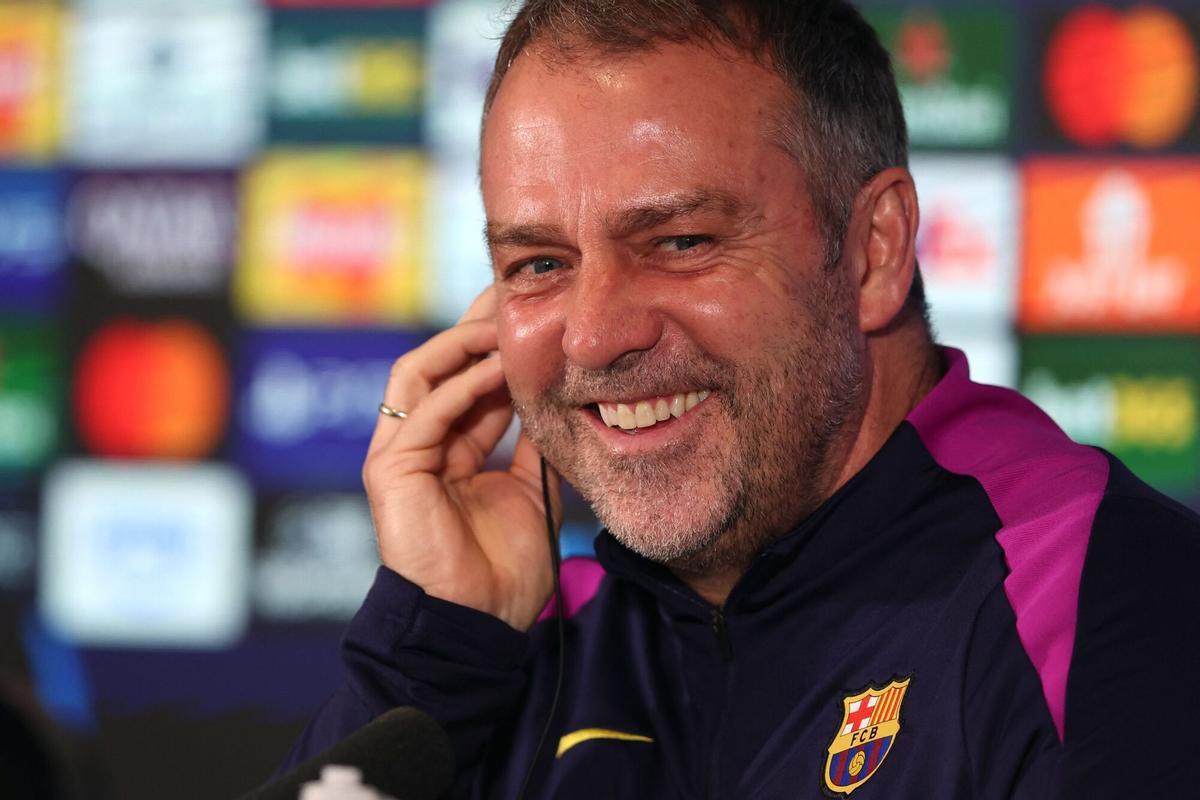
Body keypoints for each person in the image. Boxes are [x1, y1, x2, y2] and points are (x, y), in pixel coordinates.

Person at [281, 1, 1200, 797]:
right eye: (540, 265)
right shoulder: (520, 644)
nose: (595, 337)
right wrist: (437, 650)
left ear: (873, 251)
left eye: (680, 241)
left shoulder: (1101, 596)